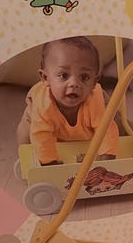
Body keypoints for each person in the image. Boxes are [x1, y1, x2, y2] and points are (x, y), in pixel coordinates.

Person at [17, 36, 119, 165]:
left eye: (84, 77)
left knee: (119, 123)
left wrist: (106, 161)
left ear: (94, 82)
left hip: (89, 122)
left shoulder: (95, 100)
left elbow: (106, 130)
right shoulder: (43, 105)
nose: (74, 83)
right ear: (45, 78)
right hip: (42, 124)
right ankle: (26, 158)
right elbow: (42, 135)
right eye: (63, 75)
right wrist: (49, 164)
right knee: (26, 132)